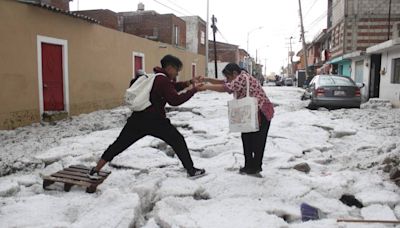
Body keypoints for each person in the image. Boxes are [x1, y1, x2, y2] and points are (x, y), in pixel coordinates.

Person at [88, 55, 206, 179]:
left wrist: (189, 83)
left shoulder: (155, 77)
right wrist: (193, 90)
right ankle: (191, 170)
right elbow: (175, 100)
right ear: (170, 68)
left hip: (137, 119)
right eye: (177, 70)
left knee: (118, 145)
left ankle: (95, 170)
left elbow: (172, 87)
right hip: (156, 121)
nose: (177, 73)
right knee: (178, 140)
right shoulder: (163, 80)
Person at [198, 63, 274, 175]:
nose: (227, 79)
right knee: (247, 138)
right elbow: (225, 83)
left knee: (257, 141)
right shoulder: (240, 77)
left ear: (234, 73)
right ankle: (249, 166)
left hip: (261, 112)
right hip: (251, 112)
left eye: (228, 77)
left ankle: (255, 167)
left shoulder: (243, 77)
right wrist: (207, 79)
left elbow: (226, 87)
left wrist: (206, 87)